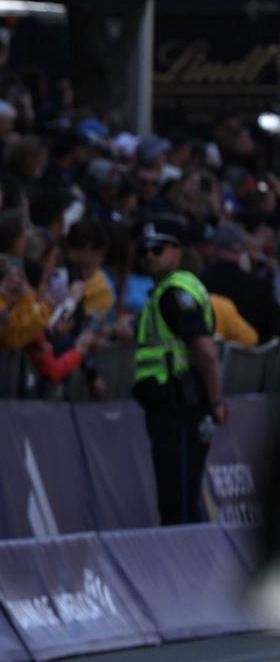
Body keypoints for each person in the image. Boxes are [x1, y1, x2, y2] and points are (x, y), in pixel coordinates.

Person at [132, 217, 228, 526]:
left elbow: (206, 353)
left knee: (179, 499)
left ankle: (190, 570)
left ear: (177, 252)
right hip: (168, 407)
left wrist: (216, 403)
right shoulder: (163, 293)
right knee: (176, 494)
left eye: (158, 248)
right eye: (145, 249)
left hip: (180, 406)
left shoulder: (175, 294)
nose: (150, 255)